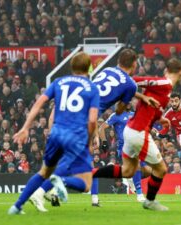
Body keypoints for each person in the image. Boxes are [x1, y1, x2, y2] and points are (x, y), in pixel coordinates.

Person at [29, 48, 158, 211]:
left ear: (119, 61)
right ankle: (42, 191)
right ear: (134, 65)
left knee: (69, 160)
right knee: (80, 167)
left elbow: (114, 87)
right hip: (83, 118)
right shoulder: (130, 85)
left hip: (70, 108)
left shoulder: (108, 70)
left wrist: (141, 96)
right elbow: (119, 109)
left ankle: (50, 189)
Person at [8, 52, 100, 214]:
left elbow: (39, 103)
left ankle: (17, 206)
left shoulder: (59, 82)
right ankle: (61, 180)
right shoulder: (92, 88)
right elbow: (92, 120)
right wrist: (89, 140)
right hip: (75, 137)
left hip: (56, 133)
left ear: (71, 66)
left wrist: (25, 127)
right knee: (86, 184)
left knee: (44, 171)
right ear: (88, 68)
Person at [93, 58, 181, 211]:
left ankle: (94, 173)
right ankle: (149, 200)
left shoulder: (166, 90)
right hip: (138, 131)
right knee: (161, 169)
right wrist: (136, 95)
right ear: (180, 73)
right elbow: (132, 81)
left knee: (128, 171)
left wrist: (160, 119)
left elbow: (148, 108)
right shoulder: (164, 84)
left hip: (132, 130)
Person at [99, 103, 147, 202]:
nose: (129, 102)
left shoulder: (135, 114)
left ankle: (130, 177)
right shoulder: (116, 115)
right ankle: (139, 194)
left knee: (142, 169)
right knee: (136, 165)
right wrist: (104, 142)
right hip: (124, 146)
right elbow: (102, 128)